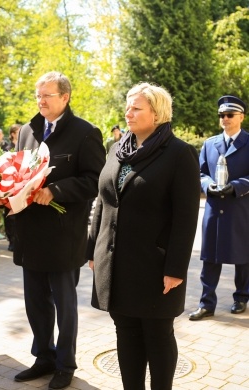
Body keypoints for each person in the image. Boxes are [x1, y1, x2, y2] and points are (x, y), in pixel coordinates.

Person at [87, 82, 200, 390]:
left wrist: (175, 269)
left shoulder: (179, 154)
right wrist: (91, 249)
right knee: (125, 333)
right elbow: (103, 200)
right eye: (128, 106)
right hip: (116, 265)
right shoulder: (117, 149)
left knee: (157, 337)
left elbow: (186, 217)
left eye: (136, 107)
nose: (128, 112)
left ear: (157, 113)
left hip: (155, 267)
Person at [13, 71, 105, 390]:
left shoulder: (85, 133)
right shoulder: (27, 131)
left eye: (47, 95)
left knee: (64, 305)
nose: (40, 100)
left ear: (64, 97)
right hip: (30, 233)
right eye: (37, 95)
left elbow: (95, 181)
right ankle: (44, 357)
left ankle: (65, 364)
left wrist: (57, 190)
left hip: (63, 235)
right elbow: (16, 173)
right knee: (35, 300)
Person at [189, 95, 249, 321]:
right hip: (215, 208)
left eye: (230, 115)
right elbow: (201, 172)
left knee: (243, 257)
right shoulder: (210, 143)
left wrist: (236, 186)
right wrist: (207, 184)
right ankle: (206, 303)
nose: (225, 119)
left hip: (240, 208)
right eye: (221, 115)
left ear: (241, 117)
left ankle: (241, 297)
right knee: (210, 258)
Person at [3, 123, 22, 251]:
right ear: (12, 134)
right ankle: (11, 240)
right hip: (9, 185)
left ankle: (19, 239)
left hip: (21, 184)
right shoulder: (8, 148)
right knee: (9, 214)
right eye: (18, 131)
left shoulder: (25, 146)